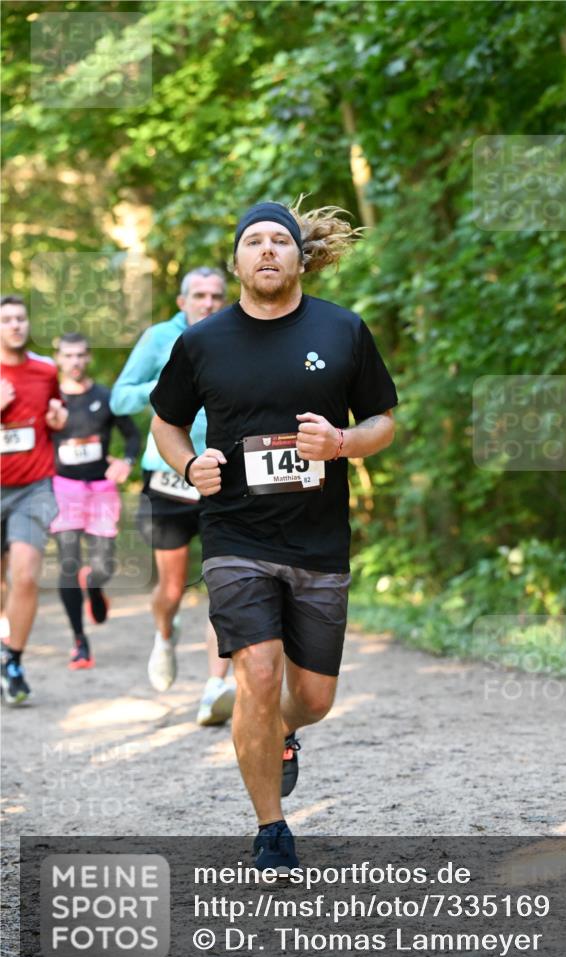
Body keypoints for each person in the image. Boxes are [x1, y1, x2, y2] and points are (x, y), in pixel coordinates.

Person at [149, 201, 397, 872]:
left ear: (299, 257)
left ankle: (281, 732)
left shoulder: (342, 330)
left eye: (278, 242)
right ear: (236, 261)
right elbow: (165, 423)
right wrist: (187, 463)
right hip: (235, 533)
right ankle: (271, 829)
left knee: (311, 698)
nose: (266, 251)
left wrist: (342, 440)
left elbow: (383, 420)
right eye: (252, 242)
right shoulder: (202, 341)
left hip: (319, 541)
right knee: (256, 672)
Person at [110, 267, 235, 725]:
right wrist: (166, 383)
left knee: (226, 580)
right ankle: (165, 633)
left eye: (216, 295)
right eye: (199, 295)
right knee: (171, 587)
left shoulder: (238, 334)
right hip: (167, 475)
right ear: (181, 301)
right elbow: (120, 399)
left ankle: (215, 686)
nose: (208, 303)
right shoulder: (160, 338)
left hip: (224, 473)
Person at [50, 333, 141, 669]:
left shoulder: (105, 397)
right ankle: (79, 640)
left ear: (88, 358)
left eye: (80, 355)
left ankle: (95, 585)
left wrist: (126, 462)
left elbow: (132, 435)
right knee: (67, 565)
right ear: (58, 359)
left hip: (101, 489)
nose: (74, 361)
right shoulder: (51, 399)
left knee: (103, 566)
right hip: (64, 489)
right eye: (68, 355)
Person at [1, 294, 68, 704]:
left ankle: (13, 660)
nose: (15, 326)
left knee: (24, 574)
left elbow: (54, 418)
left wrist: (58, 422)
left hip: (33, 487)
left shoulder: (46, 370)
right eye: (6, 320)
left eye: (20, 319)